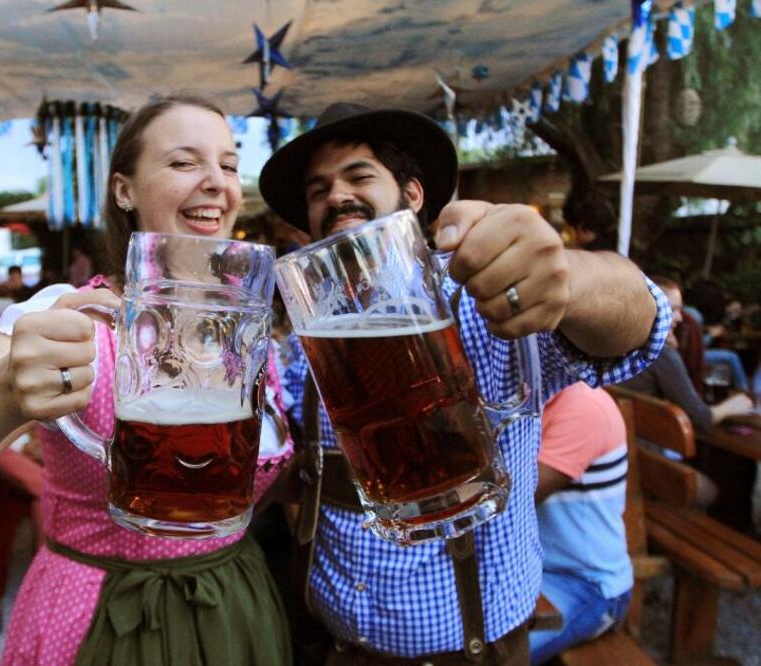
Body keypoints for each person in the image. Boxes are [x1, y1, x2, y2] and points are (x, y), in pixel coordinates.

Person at [0, 95, 293, 665]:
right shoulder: (64, 316)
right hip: (102, 620)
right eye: (185, 162)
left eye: (229, 165)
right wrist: (4, 393)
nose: (217, 182)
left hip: (236, 611)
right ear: (124, 190)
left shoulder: (253, 330)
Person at [258, 102, 670, 664]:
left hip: (468, 650)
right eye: (318, 189)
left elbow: (637, 329)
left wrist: (568, 278)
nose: (336, 196)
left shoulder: (475, 297)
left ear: (412, 196)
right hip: (333, 644)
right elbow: (293, 470)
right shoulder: (308, 338)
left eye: (359, 177)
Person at [529, 383, 632, 664]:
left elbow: (512, 500)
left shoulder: (584, 406)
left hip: (590, 584)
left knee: (487, 656)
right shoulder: (531, 400)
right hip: (533, 570)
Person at [622, 277, 753, 431]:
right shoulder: (662, 353)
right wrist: (734, 405)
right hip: (651, 447)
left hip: (624, 434)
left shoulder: (617, 340)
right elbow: (701, 418)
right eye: (672, 309)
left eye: (680, 309)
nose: (680, 317)